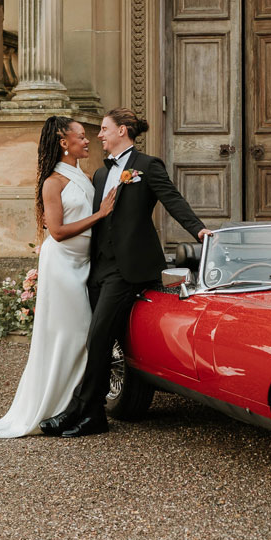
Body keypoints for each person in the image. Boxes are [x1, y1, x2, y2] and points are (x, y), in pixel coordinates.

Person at [40, 108, 210, 438]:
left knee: (99, 335)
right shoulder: (101, 176)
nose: (99, 135)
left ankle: (86, 411)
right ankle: (88, 410)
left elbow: (172, 200)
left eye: (104, 129)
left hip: (129, 268)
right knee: (97, 339)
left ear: (123, 130)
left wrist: (199, 230)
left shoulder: (147, 166)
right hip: (98, 267)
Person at [0, 117, 114, 438]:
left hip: (83, 263)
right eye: (81, 137)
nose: (87, 141)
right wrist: (101, 215)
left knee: (83, 335)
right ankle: (59, 406)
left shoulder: (82, 175)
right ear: (64, 143)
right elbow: (56, 231)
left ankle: (73, 405)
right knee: (74, 333)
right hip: (62, 265)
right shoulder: (53, 182)